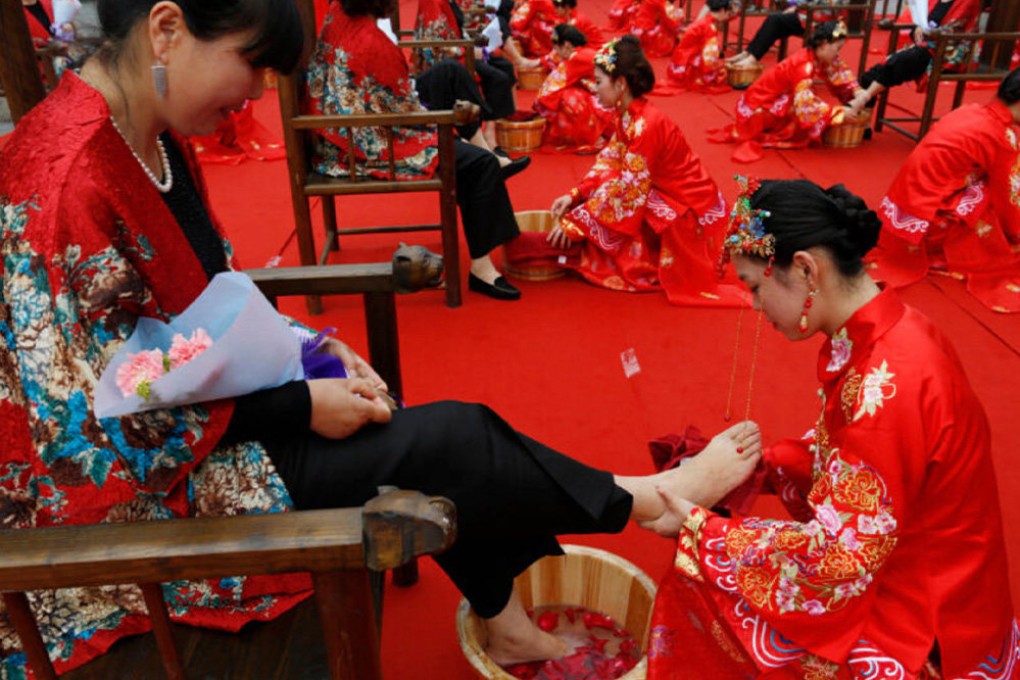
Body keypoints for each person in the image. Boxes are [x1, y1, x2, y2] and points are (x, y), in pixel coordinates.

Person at [0, 1, 768, 674]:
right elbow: (93, 440)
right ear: (166, 29)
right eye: (253, 64)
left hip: (204, 421)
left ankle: (511, 619)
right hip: (131, 499)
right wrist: (301, 404)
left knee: (428, 438)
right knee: (452, 438)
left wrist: (311, 351)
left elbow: (214, 306)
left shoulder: (152, 133)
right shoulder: (64, 180)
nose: (260, 94)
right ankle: (644, 501)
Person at [645, 177, 1020, 678]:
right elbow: (856, 466)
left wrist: (704, 532)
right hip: (928, 565)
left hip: (923, 614)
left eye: (756, 286)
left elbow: (837, 561)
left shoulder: (885, 387)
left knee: (701, 580)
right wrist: (767, 465)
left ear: (804, 269)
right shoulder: (898, 329)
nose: (754, 307)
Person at [306, 0, 529, 300]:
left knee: (450, 72)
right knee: (476, 165)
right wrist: (445, 125)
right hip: (363, 140)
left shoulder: (340, 13)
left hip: (351, 124)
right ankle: (482, 268)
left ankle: (488, 152)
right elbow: (403, 111)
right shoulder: (373, 41)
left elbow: (397, 95)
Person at [547, 36, 747, 307]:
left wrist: (578, 221)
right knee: (603, 195)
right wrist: (575, 194)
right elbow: (611, 160)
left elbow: (629, 192)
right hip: (663, 190)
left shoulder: (645, 125)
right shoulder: (627, 114)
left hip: (689, 207)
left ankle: (648, 263)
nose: (594, 89)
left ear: (620, 84)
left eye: (598, 81)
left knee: (617, 220)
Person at [870, 68, 1020, 313]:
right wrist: (1015, 235)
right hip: (928, 220)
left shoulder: (970, 110)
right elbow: (1009, 196)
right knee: (995, 189)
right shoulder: (1000, 135)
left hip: (902, 210)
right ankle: (948, 252)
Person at [709, 20, 868, 163]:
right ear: (824, 44)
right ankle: (774, 129)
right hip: (756, 108)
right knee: (801, 105)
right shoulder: (804, 65)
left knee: (805, 97)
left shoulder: (813, 55)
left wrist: (857, 89)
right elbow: (804, 106)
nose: (838, 53)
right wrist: (837, 113)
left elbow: (838, 69)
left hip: (760, 101)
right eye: (837, 48)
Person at [411, 0, 520, 152]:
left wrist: (475, 44)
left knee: (505, 67)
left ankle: (490, 131)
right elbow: (434, 46)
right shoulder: (432, 3)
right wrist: (467, 50)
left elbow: (458, 30)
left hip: (461, 51)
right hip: (447, 61)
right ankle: (485, 134)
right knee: (497, 77)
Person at [856, 0, 981, 107]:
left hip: (948, 53)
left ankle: (862, 100)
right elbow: (920, 23)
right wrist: (917, 29)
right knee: (870, 76)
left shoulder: (968, 2)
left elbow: (958, 29)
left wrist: (929, 34)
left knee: (900, 61)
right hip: (924, 47)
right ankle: (863, 123)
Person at [534, 24, 613, 152]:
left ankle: (597, 139)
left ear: (566, 46)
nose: (554, 51)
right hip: (609, 105)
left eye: (556, 47)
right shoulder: (580, 53)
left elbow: (550, 88)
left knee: (569, 96)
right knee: (568, 94)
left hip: (611, 110)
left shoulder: (576, 58)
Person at [726, 0, 847, 70]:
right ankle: (749, 53)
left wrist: (797, 7)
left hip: (824, 19)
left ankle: (752, 57)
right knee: (777, 20)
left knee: (776, 20)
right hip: (813, 13)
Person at [666, 0, 737, 92]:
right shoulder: (709, 27)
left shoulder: (703, 22)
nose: (728, 17)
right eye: (728, 14)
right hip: (688, 65)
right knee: (721, 73)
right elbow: (709, 55)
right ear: (722, 10)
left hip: (680, 61)